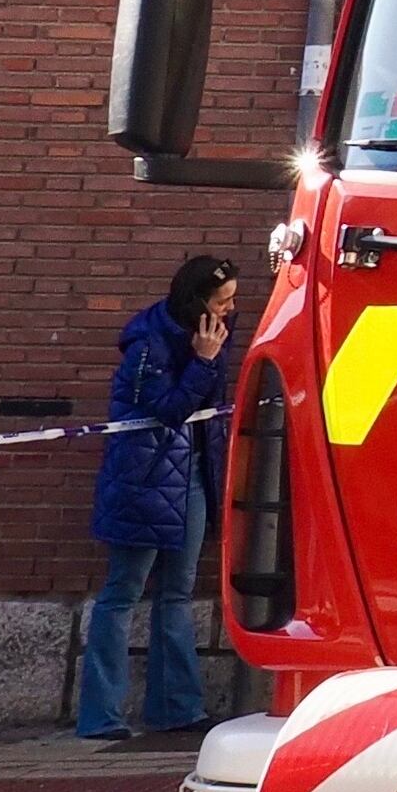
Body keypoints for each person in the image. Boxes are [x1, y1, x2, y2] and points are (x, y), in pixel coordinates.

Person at [80, 256, 236, 741]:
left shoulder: (208, 334)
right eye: (222, 300)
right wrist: (204, 362)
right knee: (123, 592)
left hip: (188, 475)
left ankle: (177, 707)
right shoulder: (147, 345)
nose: (230, 309)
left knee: (177, 592)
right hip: (143, 481)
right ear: (197, 303)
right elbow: (168, 409)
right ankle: (100, 716)